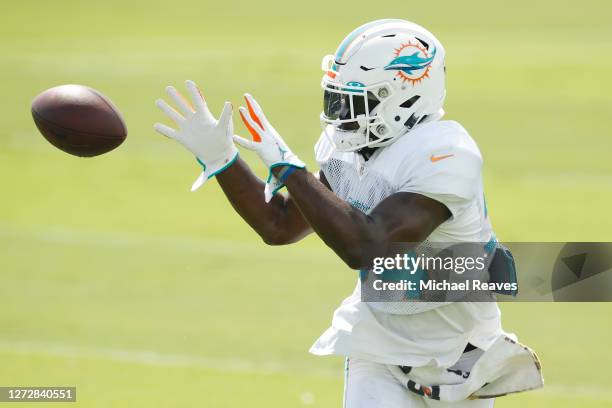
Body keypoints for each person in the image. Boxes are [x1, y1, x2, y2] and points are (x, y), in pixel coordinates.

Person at [154, 19, 542, 408]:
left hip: (461, 355)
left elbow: (367, 247)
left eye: (357, 101)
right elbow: (280, 224)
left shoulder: (446, 153)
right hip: (378, 345)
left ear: (403, 98)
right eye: (336, 98)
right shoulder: (347, 147)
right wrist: (223, 161)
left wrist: (289, 168)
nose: (341, 113)